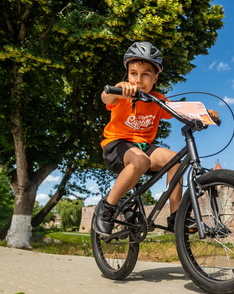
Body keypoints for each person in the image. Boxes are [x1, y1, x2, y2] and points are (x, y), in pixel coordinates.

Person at [93, 42, 217, 236]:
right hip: (116, 146)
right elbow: (105, 97)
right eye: (133, 73)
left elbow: (180, 111)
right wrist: (118, 88)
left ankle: (176, 216)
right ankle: (106, 207)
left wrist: (204, 115)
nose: (138, 80)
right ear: (127, 75)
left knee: (176, 161)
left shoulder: (158, 100)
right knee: (141, 160)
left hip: (143, 147)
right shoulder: (121, 94)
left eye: (146, 74)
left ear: (155, 78)